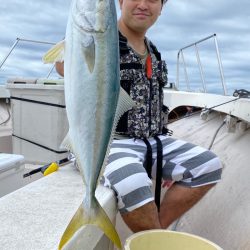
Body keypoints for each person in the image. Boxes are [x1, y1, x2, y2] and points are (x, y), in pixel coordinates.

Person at [56, 0, 222, 233]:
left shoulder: (152, 50)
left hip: (153, 141)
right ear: (121, 2)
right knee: (132, 182)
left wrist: (163, 161)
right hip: (109, 142)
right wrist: (78, 44)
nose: (143, 4)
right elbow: (64, 66)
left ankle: (156, 234)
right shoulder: (102, 39)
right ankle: (154, 240)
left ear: (161, 7)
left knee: (208, 165)